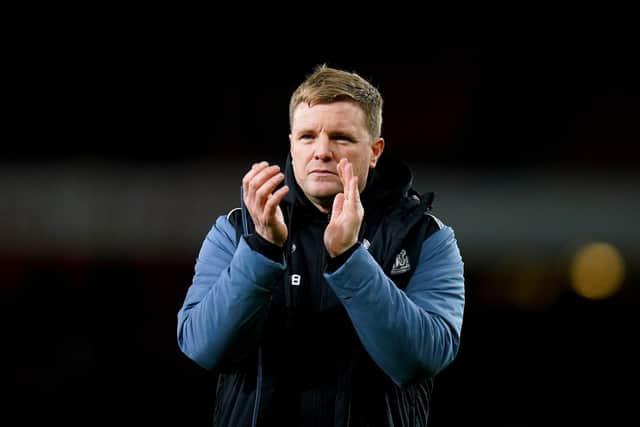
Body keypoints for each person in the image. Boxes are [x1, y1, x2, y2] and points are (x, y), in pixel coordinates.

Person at [177, 64, 465, 426]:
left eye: (341, 138)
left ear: (375, 151)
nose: (322, 151)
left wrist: (349, 258)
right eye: (308, 136)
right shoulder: (237, 230)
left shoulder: (427, 237)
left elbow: (421, 359)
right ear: (292, 146)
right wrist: (263, 250)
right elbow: (203, 348)